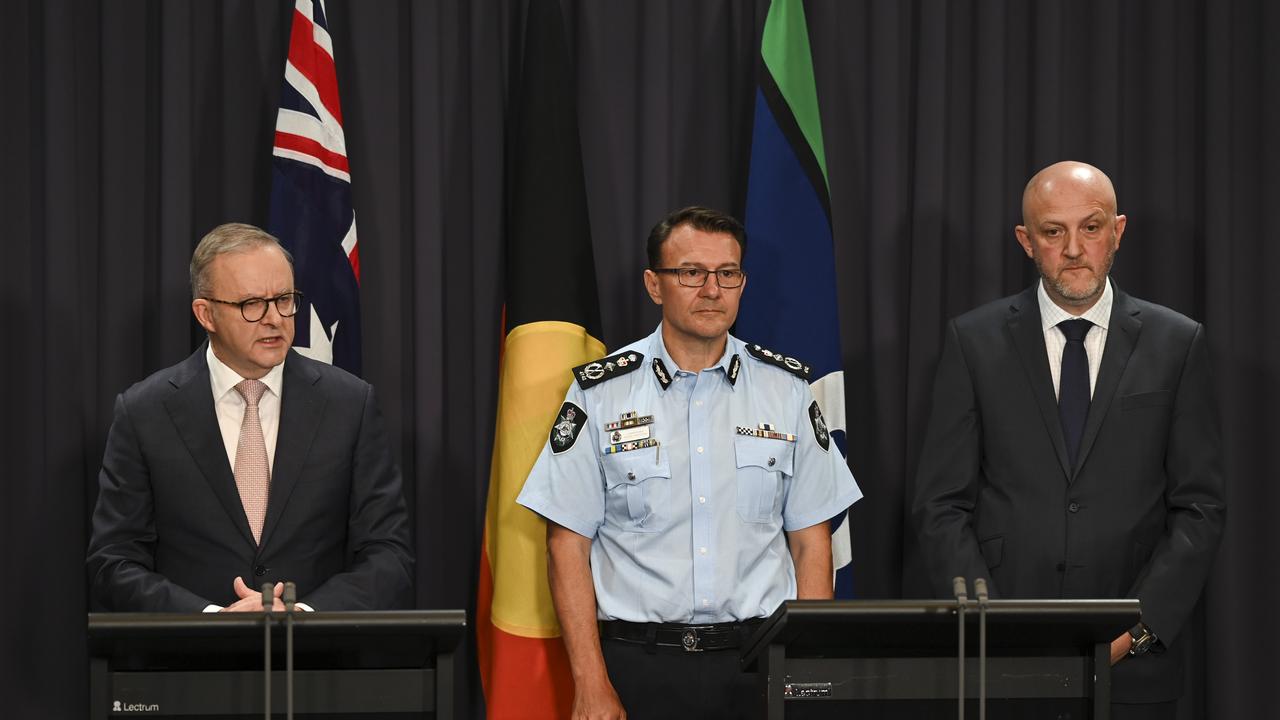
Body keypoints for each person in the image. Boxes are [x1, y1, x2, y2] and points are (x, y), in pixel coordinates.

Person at [517, 206, 862, 719]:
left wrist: (802, 669)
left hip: (759, 663)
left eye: (727, 274)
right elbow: (566, 546)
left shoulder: (786, 391)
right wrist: (590, 683)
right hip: (639, 666)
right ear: (654, 285)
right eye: (691, 273)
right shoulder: (600, 393)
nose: (711, 290)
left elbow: (812, 544)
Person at [912, 161, 1226, 717]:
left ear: (1118, 232)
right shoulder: (973, 341)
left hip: (1134, 666)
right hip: (1001, 664)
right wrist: (992, 626)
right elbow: (941, 504)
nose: (1074, 248)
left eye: (1092, 226)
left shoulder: (1177, 343)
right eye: (1054, 232)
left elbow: (1199, 506)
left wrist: (1141, 628)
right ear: (1026, 241)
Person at [87, 223, 413, 612]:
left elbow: (389, 555)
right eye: (252, 304)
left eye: (285, 299)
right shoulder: (145, 412)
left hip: (315, 662)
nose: (274, 318)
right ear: (206, 314)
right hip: (190, 667)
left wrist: (302, 616)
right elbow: (113, 562)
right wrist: (212, 621)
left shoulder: (350, 405)